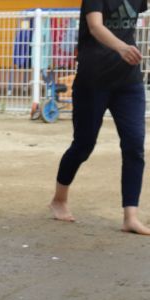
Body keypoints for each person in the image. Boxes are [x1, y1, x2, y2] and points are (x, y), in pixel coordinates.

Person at [50, 0, 150, 235]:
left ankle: (130, 216)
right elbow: (95, 26)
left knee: (135, 145)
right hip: (93, 81)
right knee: (83, 144)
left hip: (128, 81)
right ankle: (59, 199)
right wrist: (121, 47)